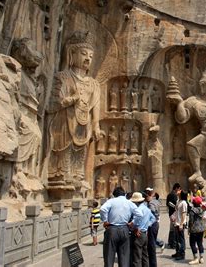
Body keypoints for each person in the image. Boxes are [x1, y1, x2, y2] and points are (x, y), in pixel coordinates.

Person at [46, 31, 102, 183]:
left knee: (80, 153)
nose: (87, 59)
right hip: (64, 120)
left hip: (85, 121)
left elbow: (96, 108)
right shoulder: (62, 77)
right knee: (64, 148)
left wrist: (96, 126)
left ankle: (77, 176)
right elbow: (52, 104)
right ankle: (59, 175)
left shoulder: (94, 84)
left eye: (90, 56)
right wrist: (71, 100)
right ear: (72, 53)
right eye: (84, 54)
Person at [100, 186, 137, 267]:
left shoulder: (111, 201)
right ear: (124, 194)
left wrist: (105, 221)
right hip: (125, 229)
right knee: (124, 258)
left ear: (115, 194)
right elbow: (139, 214)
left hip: (112, 229)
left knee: (109, 256)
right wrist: (132, 222)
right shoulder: (129, 202)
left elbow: (103, 209)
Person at [131, 192, 156, 267]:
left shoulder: (138, 209)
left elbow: (138, 217)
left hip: (138, 234)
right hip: (144, 234)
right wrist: (147, 225)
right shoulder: (146, 209)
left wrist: (137, 227)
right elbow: (153, 218)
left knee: (137, 257)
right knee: (145, 256)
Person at [145, 188, 161, 267]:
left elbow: (153, 215)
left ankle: (153, 264)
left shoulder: (151, 203)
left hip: (152, 225)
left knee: (151, 246)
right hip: (156, 224)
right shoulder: (156, 201)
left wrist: (148, 224)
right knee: (152, 244)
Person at [188, 196, 206, 265]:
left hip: (194, 229)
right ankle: (201, 258)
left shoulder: (192, 210)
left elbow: (191, 221)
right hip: (201, 229)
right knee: (200, 243)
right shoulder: (202, 209)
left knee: (192, 243)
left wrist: (189, 229)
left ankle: (195, 258)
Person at [172, 190, 188, 261]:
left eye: (179, 191)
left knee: (181, 239)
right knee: (177, 239)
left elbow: (184, 214)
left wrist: (181, 224)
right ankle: (177, 252)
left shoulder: (184, 203)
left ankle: (182, 254)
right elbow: (177, 211)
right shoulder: (179, 201)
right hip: (176, 222)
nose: (178, 191)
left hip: (180, 223)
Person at [167, 183, 181, 249]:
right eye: (179, 188)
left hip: (171, 213)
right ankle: (173, 243)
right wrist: (175, 206)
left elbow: (168, 203)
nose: (179, 190)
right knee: (173, 228)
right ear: (176, 188)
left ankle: (170, 242)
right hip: (173, 213)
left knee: (171, 228)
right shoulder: (173, 195)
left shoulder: (170, 194)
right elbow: (169, 203)